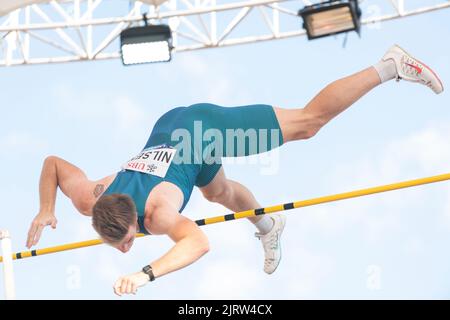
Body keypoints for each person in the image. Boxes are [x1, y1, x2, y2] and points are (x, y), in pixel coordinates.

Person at [26, 44, 443, 296]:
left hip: (202, 129)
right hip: (173, 134)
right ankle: (269, 226)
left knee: (307, 124)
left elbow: (198, 244)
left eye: (127, 241)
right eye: (117, 246)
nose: (124, 249)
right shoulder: (91, 197)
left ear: (136, 220)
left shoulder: (159, 214)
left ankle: (389, 66)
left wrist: (144, 274)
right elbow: (54, 165)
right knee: (218, 193)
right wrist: (46, 209)